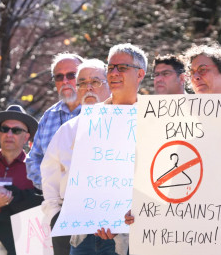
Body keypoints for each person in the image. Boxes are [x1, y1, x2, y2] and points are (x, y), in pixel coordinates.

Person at [125, 43, 221, 255]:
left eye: (203, 70)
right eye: (192, 72)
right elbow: (161, 171)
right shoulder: (173, 118)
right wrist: (143, 208)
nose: (196, 76)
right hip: (189, 227)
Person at [42, 44, 147, 255]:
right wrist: (56, 215)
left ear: (140, 74)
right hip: (83, 237)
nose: (114, 73)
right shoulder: (85, 122)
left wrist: (141, 211)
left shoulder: (153, 120)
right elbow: (51, 174)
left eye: (123, 67)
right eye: (111, 67)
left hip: (135, 237)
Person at [41, 58, 113, 254]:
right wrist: (55, 216)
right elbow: (50, 176)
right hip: (75, 230)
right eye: (81, 83)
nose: (87, 88)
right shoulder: (66, 131)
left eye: (95, 82)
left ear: (110, 85)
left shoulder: (128, 125)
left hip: (117, 231)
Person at [25, 52, 84, 254]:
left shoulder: (99, 109)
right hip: (60, 210)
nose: (65, 81)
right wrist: (53, 192)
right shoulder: (48, 117)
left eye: (71, 75)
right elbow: (34, 160)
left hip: (94, 207)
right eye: (59, 77)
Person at [0, 105, 43, 255]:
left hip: (22, 245)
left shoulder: (36, 169)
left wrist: (14, 198)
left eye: (16, 130)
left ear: (26, 137)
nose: (9, 134)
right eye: (4, 129)